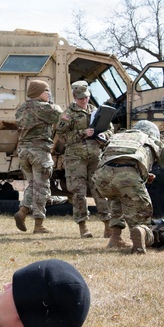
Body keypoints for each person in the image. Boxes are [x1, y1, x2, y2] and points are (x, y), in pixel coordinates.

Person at [92, 120, 164, 253]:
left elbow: (115, 160)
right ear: (153, 133)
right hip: (127, 177)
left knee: (117, 197)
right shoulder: (152, 140)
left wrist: (142, 175)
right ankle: (142, 235)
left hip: (101, 179)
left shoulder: (118, 136)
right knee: (142, 218)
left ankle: (115, 238)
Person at [56, 80, 111, 239]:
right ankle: (83, 227)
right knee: (78, 192)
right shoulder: (67, 115)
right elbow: (61, 136)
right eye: (81, 98)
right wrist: (82, 133)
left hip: (95, 155)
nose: (84, 100)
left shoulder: (96, 111)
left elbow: (110, 129)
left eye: (86, 97)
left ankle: (107, 225)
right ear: (74, 97)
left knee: (100, 189)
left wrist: (104, 137)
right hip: (75, 158)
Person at [13, 79, 64, 234]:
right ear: (38, 92)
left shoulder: (21, 108)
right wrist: (54, 105)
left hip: (23, 151)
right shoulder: (45, 108)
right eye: (46, 91)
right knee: (41, 188)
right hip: (39, 152)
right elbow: (62, 118)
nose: (49, 93)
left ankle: (22, 212)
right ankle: (39, 225)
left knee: (34, 185)